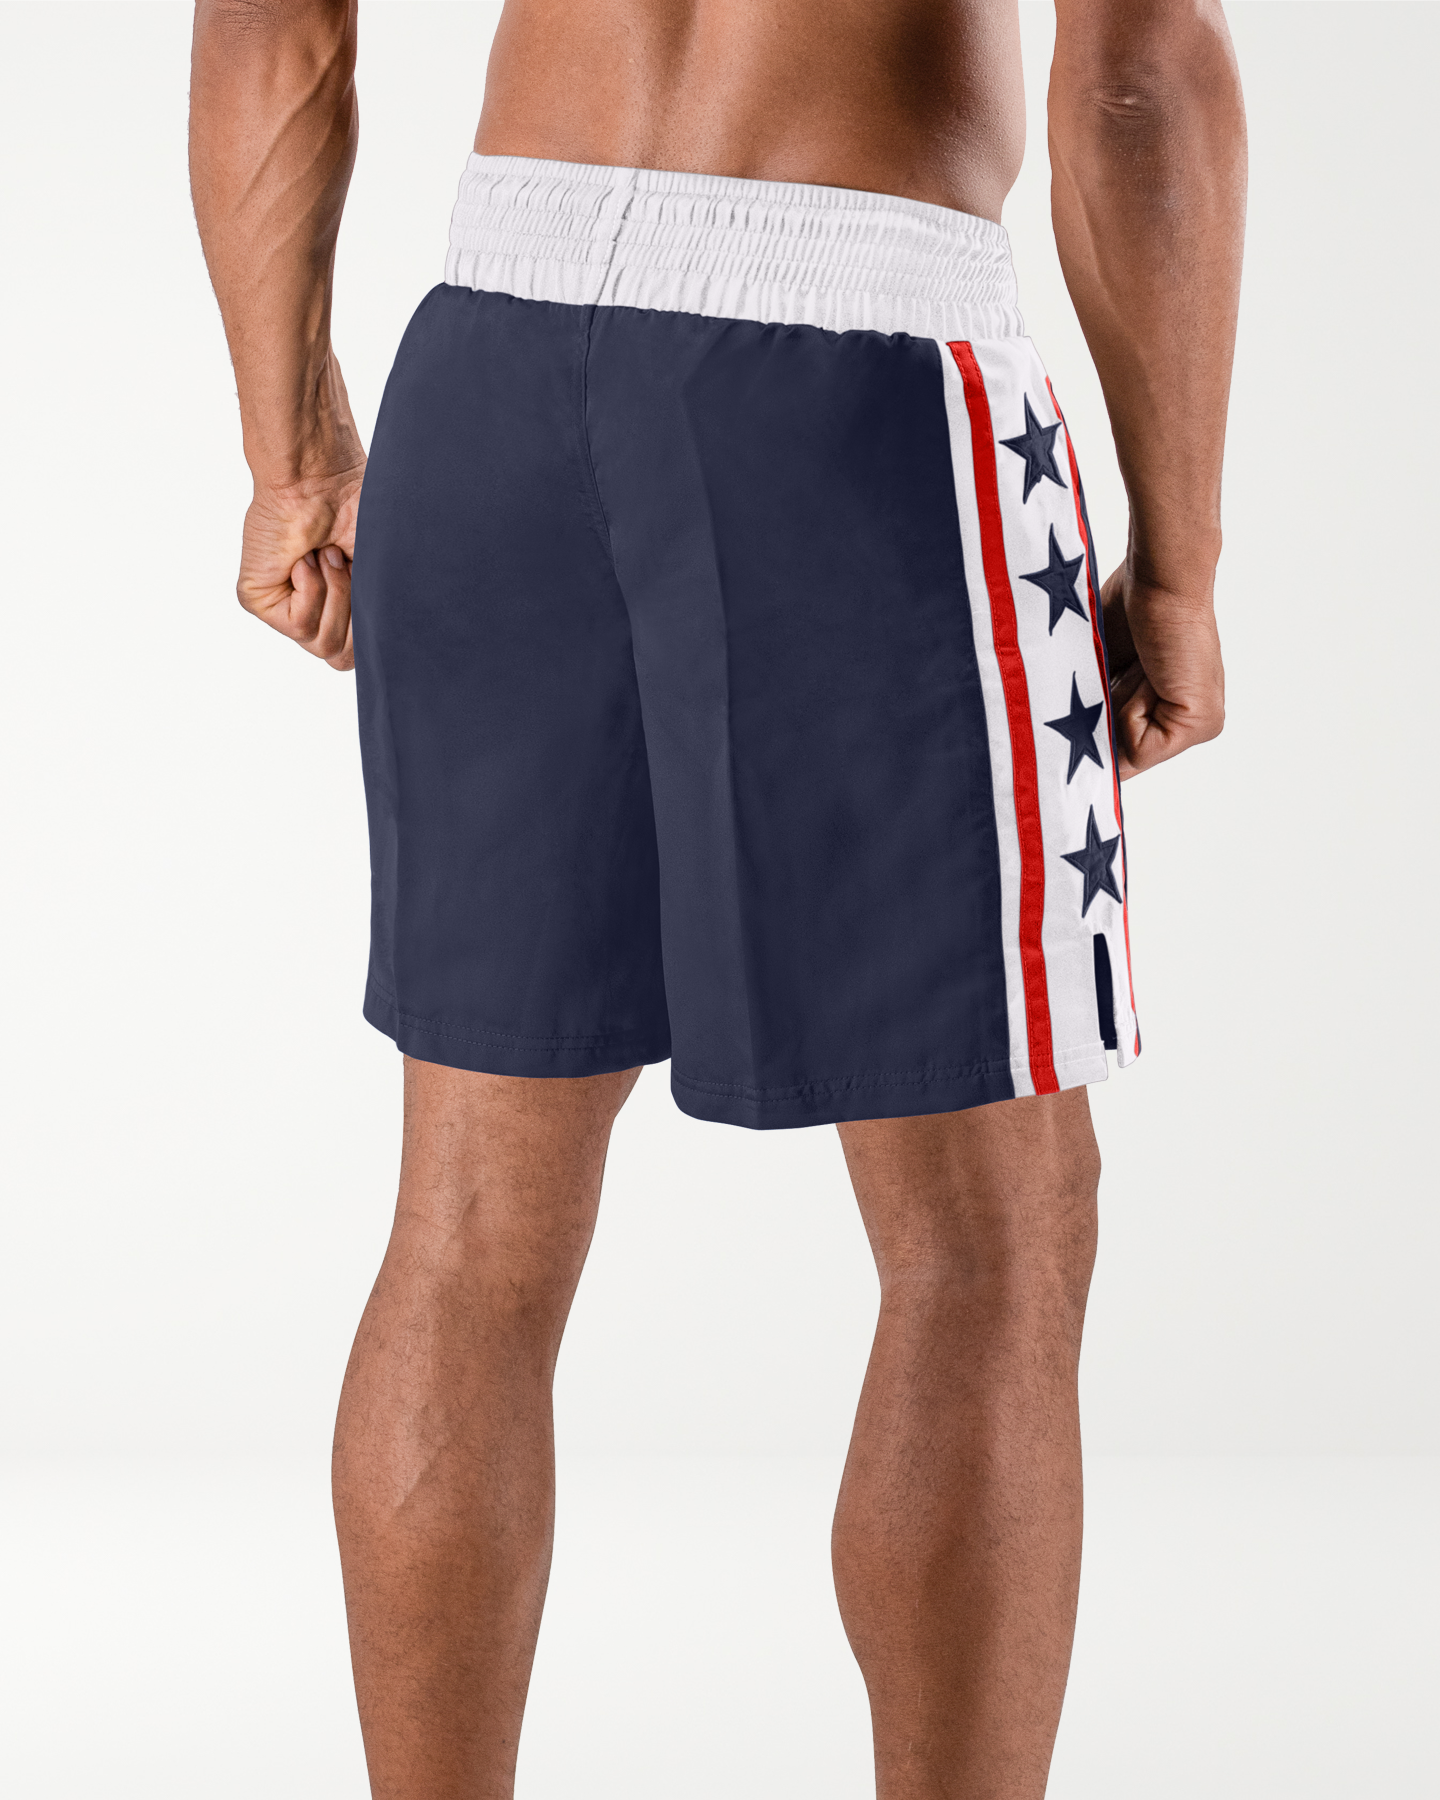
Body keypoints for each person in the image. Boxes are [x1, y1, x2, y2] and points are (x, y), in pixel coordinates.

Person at [189, 0, 1242, 1790]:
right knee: (990, 1238)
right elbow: (1139, 73)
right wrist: (1185, 566)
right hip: (863, 366)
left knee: (470, 1234)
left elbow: (268, 22)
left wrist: (291, 456)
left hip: (498, 355)